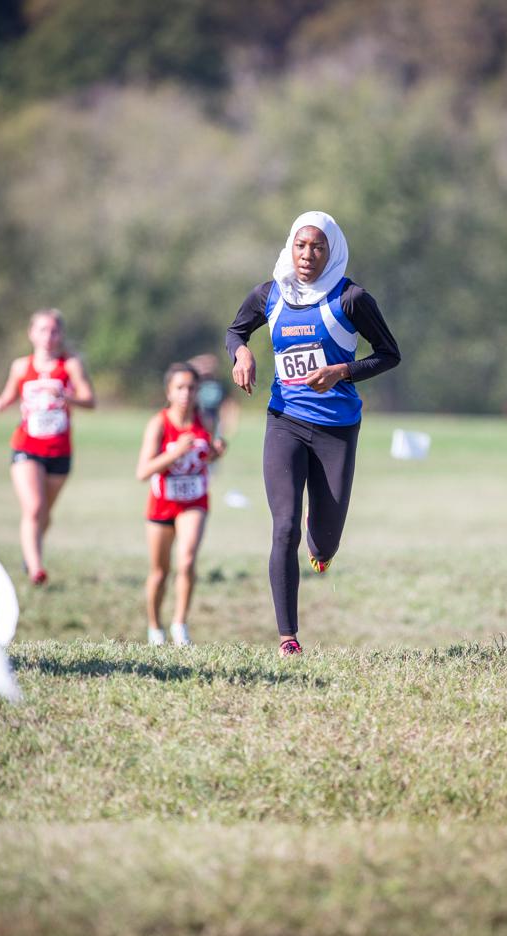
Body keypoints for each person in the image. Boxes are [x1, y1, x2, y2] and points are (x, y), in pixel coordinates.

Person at [225, 211, 401, 656]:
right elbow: (235, 330)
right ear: (290, 246)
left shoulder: (352, 299)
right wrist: (241, 353)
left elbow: (388, 354)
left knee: (324, 540)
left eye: (318, 247)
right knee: (283, 526)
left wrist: (342, 370)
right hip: (284, 421)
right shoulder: (271, 293)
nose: (307, 255)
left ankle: (319, 541)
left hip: (336, 429)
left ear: (332, 251)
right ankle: (288, 637)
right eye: (301, 245)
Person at [0, 308, 95, 585]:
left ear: (60, 334)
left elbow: (90, 400)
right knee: (34, 508)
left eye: (54, 330)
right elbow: (10, 394)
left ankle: (31, 551)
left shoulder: (70, 364)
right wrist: (0, 403)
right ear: (31, 333)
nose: (48, 336)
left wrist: (66, 397)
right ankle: (36, 568)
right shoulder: (21, 366)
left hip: (60, 451)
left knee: (44, 514)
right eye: (42, 330)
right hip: (27, 446)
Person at [136, 362, 226, 646]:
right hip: (162, 502)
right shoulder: (159, 423)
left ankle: (180, 625)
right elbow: (143, 471)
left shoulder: (205, 421)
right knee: (160, 572)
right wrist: (176, 452)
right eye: (180, 388)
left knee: (186, 561)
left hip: (194, 500)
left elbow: (205, 457)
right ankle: (154, 628)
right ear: (169, 391)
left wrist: (215, 453)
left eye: (191, 388)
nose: (186, 393)